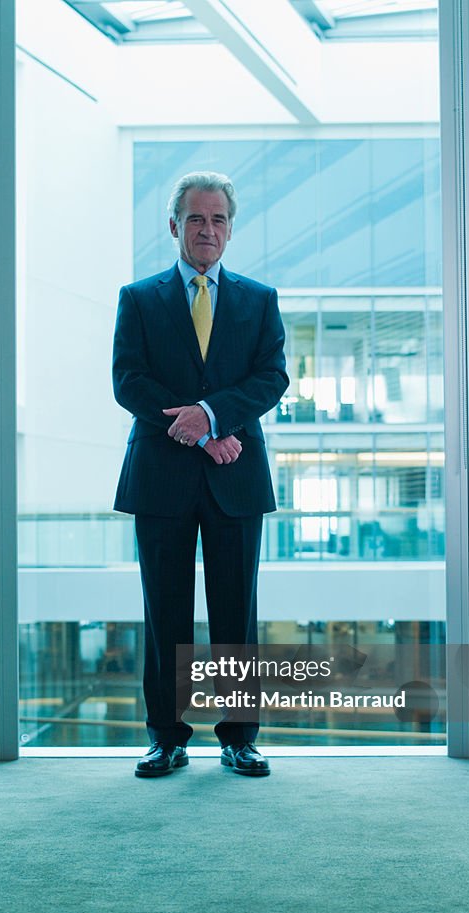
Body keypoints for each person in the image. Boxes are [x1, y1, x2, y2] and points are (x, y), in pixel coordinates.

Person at [112, 171, 289, 778]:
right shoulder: (138, 299)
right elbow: (128, 381)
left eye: (217, 220)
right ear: (174, 226)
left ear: (231, 230)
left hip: (235, 476)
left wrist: (211, 420)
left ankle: (239, 737)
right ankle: (167, 737)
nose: (206, 229)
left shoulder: (259, 299)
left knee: (236, 614)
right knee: (164, 613)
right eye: (195, 219)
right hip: (161, 477)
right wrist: (196, 430)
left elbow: (272, 378)